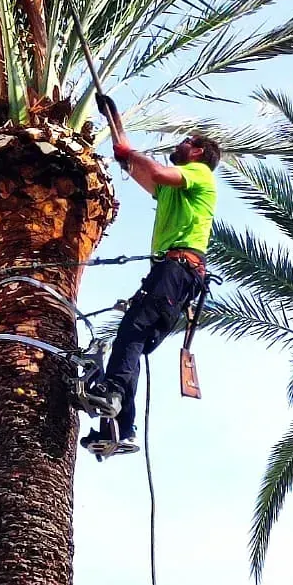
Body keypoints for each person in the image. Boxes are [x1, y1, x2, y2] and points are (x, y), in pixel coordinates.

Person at [82, 99, 220, 459]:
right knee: (133, 340)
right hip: (172, 274)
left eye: (185, 142)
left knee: (133, 332)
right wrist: (116, 129)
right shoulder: (176, 191)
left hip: (177, 271)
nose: (178, 145)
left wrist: (131, 151)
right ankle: (120, 428)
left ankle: (111, 393)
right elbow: (140, 171)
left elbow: (155, 172)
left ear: (198, 151)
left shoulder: (200, 174)